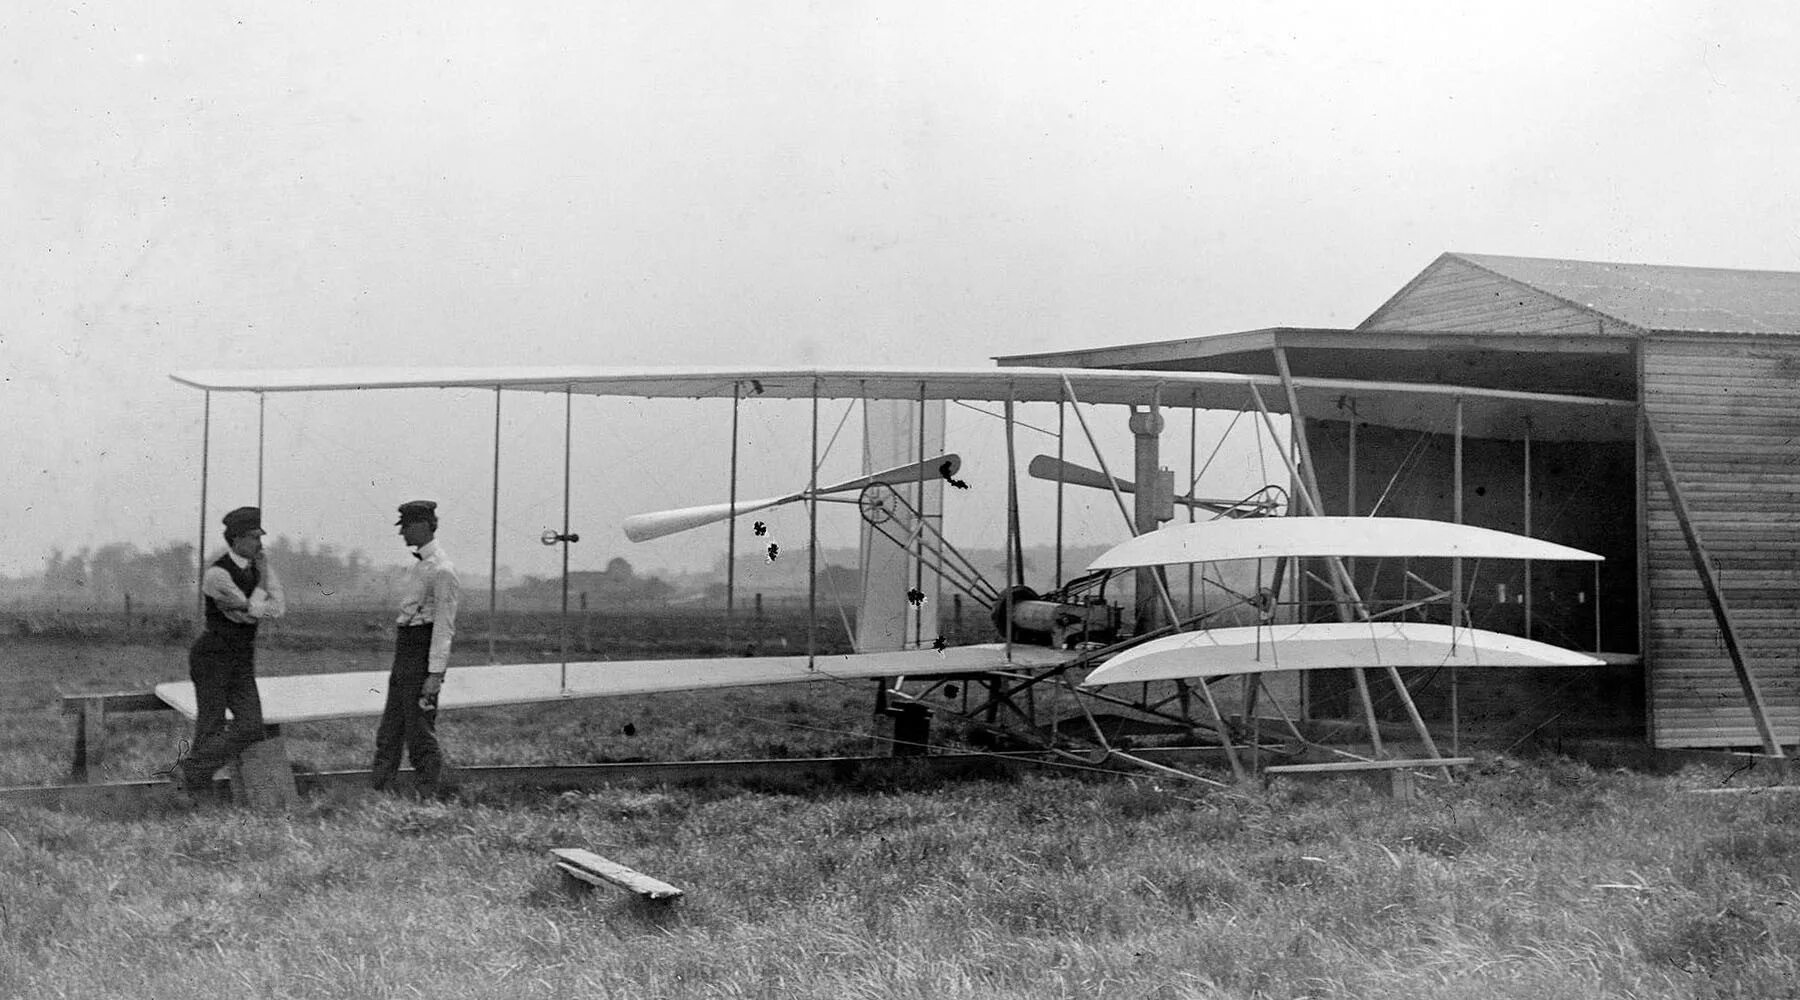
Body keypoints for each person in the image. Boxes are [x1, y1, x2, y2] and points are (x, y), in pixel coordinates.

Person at [168, 506, 285, 798]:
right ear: (236, 540)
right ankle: (196, 792)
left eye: (260, 537)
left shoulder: (262, 568)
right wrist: (259, 589)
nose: (260, 544)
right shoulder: (217, 575)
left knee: (251, 725)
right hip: (213, 657)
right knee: (211, 724)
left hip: (242, 659)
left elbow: (278, 608)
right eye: (254, 537)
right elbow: (246, 615)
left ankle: (191, 772)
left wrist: (252, 604)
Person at [371, 499, 462, 793]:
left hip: (421, 656)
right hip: (405, 652)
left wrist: (434, 675)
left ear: (424, 525)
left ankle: (429, 797)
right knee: (390, 730)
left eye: (407, 527)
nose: (403, 534)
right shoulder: (420, 566)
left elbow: (444, 627)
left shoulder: (442, 570)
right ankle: (380, 792)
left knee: (420, 731)